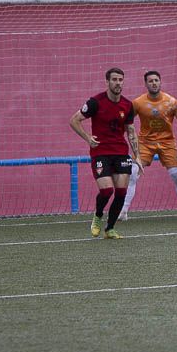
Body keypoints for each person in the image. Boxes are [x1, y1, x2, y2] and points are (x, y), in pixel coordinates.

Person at [68, 67, 141, 239]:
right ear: (107, 82)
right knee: (107, 191)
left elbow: (131, 131)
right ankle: (98, 216)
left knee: (121, 192)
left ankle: (110, 229)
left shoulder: (127, 105)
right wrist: (87, 138)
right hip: (100, 153)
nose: (118, 83)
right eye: (114, 79)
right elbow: (74, 120)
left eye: (120, 80)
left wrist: (137, 155)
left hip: (121, 153)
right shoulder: (95, 102)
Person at [120, 70, 177, 220]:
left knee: (176, 175)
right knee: (132, 174)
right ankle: (123, 211)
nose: (154, 83)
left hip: (167, 142)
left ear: (160, 82)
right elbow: (127, 122)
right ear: (145, 84)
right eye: (150, 81)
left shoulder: (171, 101)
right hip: (145, 143)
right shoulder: (137, 103)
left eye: (156, 80)